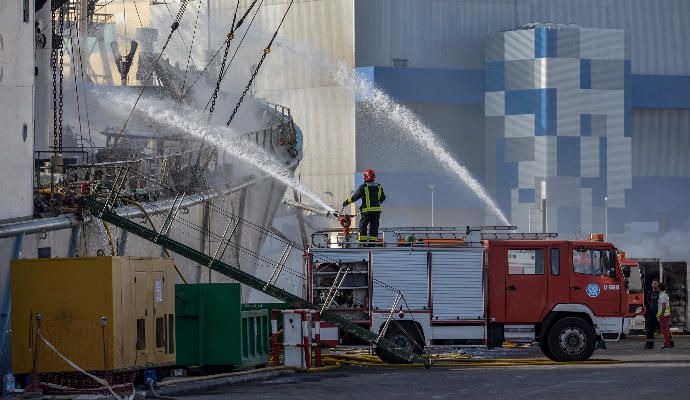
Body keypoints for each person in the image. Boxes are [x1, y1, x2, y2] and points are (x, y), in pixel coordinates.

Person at [343, 169, 386, 243]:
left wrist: (347, 202)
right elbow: (383, 198)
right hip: (376, 212)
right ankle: (372, 244)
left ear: (365, 177)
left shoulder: (363, 187)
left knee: (363, 226)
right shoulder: (379, 187)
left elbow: (355, 197)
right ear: (374, 177)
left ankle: (363, 242)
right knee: (374, 227)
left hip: (366, 212)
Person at [644, 278, 659, 349]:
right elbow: (648, 301)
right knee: (649, 329)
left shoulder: (660, 293)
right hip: (651, 314)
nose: (654, 284)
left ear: (658, 284)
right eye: (653, 283)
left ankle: (670, 343)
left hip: (659, 314)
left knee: (665, 329)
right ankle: (649, 344)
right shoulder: (649, 292)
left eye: (655, 283)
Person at [657, 282, 673, 349]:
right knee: (666, 330)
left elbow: (663, 306)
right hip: (666, 315)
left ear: (659, 288)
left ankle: (667, 344)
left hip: (664, 315)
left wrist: (662, 314)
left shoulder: (662, 295)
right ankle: (668, 343)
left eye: (657, 287)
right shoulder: (664, 294)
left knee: (665, 330)